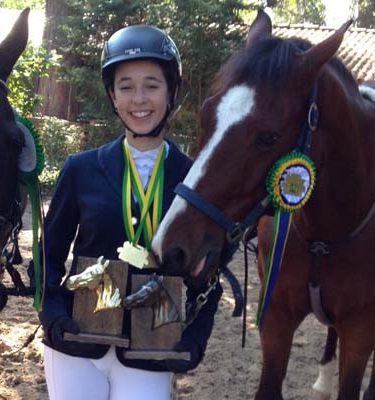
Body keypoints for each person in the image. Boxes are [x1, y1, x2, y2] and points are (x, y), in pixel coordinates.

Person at [38, 25, 222, 400]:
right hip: (77, 344)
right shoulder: (80, 169)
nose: (140, 98)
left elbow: (210, 277)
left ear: (171, 92)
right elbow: (48, 258)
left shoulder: (195, 179)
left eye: (152, 85)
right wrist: (54, 315)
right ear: (112, 96)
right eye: (126, 86)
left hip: (152, 347)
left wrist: (196, 338)